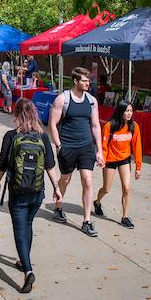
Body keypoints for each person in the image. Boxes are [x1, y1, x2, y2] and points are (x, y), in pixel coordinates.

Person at [0, 98, 62, 293]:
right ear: (34, 114)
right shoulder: (42, 136)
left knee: (19, 229)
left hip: (18, 191)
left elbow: (2, 163)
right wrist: (57, 188)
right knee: (28, 225)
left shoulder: (11, 136)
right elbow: (49, 165)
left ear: (16, 115)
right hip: (37, 191)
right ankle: (25, 262)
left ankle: (28, 270)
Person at [48, 67, 104, 237]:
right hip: (68, 146)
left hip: (86, 146)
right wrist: (58, 146)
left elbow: (95, 126)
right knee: (66, 178)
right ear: (75, 81)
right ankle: (58, 207)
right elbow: (52, 124)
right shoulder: (62, 99)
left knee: (87, 181)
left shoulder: (92, 101)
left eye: (89, 80)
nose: (88, 83)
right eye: (84, 81)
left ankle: (86, 221)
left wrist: (99, 150)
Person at [94, 100, 142, 229]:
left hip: (124, 160)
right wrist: (102, 161)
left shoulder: (134, 126)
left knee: (127, 188)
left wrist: (138, 167)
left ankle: (125, 217)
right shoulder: (110, 126)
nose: (129, 113)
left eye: (131, 111)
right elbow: (104, 146)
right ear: (120, 111)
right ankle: (97, 202)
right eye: (127, 111)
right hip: (110, 160)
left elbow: (137, 147)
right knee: (106, 189)